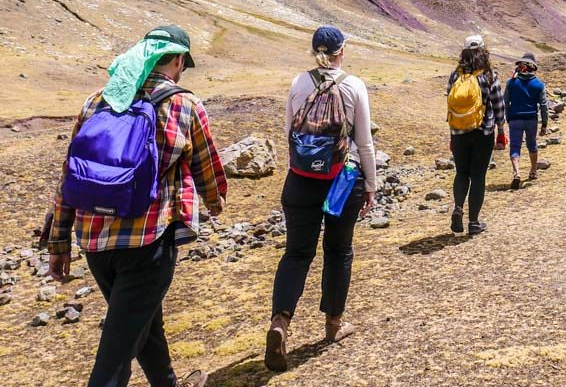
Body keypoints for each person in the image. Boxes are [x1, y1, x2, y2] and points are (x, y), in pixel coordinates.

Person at [47, 25, 226, 387]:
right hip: (148, 244)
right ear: (176, 61)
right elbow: (208, 168)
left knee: (141, 323)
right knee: (115, 357)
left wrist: (59, 241)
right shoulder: (184, 105)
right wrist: (215, 202)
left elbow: (70, 174)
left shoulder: (97, 101)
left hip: (95, 245)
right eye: (182, 64)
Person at [265, 26, 377, 373]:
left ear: (314, 50)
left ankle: (280, 323)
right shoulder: (354, 85)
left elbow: (288, 132)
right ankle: (333, 324)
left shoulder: (299, 82)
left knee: (296, 253)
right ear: (341, 51)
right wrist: (371, 183)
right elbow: (365, 142)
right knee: (339, 250)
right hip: (342, 180)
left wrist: (300, 169)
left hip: (300, 180)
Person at [445, 35, 506, 236]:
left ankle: (458, 208)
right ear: (483, 51)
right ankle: (473, 222)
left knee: (461, 172)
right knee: (478, 175)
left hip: (458, 133)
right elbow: (498, 105)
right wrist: (501, 132)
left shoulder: (455, 76)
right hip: (483, 132)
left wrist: (452, 134)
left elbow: (450, 104)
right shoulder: (489, 76)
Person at [503, 52, 549, 189]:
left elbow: (506, 101)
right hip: (531, 119)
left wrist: (508, 117)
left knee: (515, 146)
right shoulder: (538, 85)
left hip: (515, 119)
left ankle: (517, 173)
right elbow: (543, 105)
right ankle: (533, 171)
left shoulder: (511, 83)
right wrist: (544, 124)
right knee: (532, 144)